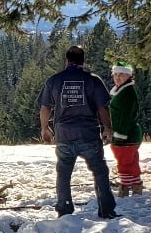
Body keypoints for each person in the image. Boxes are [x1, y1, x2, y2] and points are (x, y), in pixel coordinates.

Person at [38, 45, 118, 219]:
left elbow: (45, 107)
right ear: (83, 61)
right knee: (100, 171)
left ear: (66, 60)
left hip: (64, 135)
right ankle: (106, 210)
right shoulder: (93, 80)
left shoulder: (54, 80)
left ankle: (64, 210)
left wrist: (45, 128)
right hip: (88, 134)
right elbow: (102, 108)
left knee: (64, 173)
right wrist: (107, 128)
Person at [108, 62, 143, 197]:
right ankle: (135, 186)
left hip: (126, 135)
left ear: (128, 75)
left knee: (125, 162)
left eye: (121, 74)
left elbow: (125, 116)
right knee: (131, 161)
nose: (117, 77)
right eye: (115, 74)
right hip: (131, 133)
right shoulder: (122, 91)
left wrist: (119, 135)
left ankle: (125, 187)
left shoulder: (126, 94)